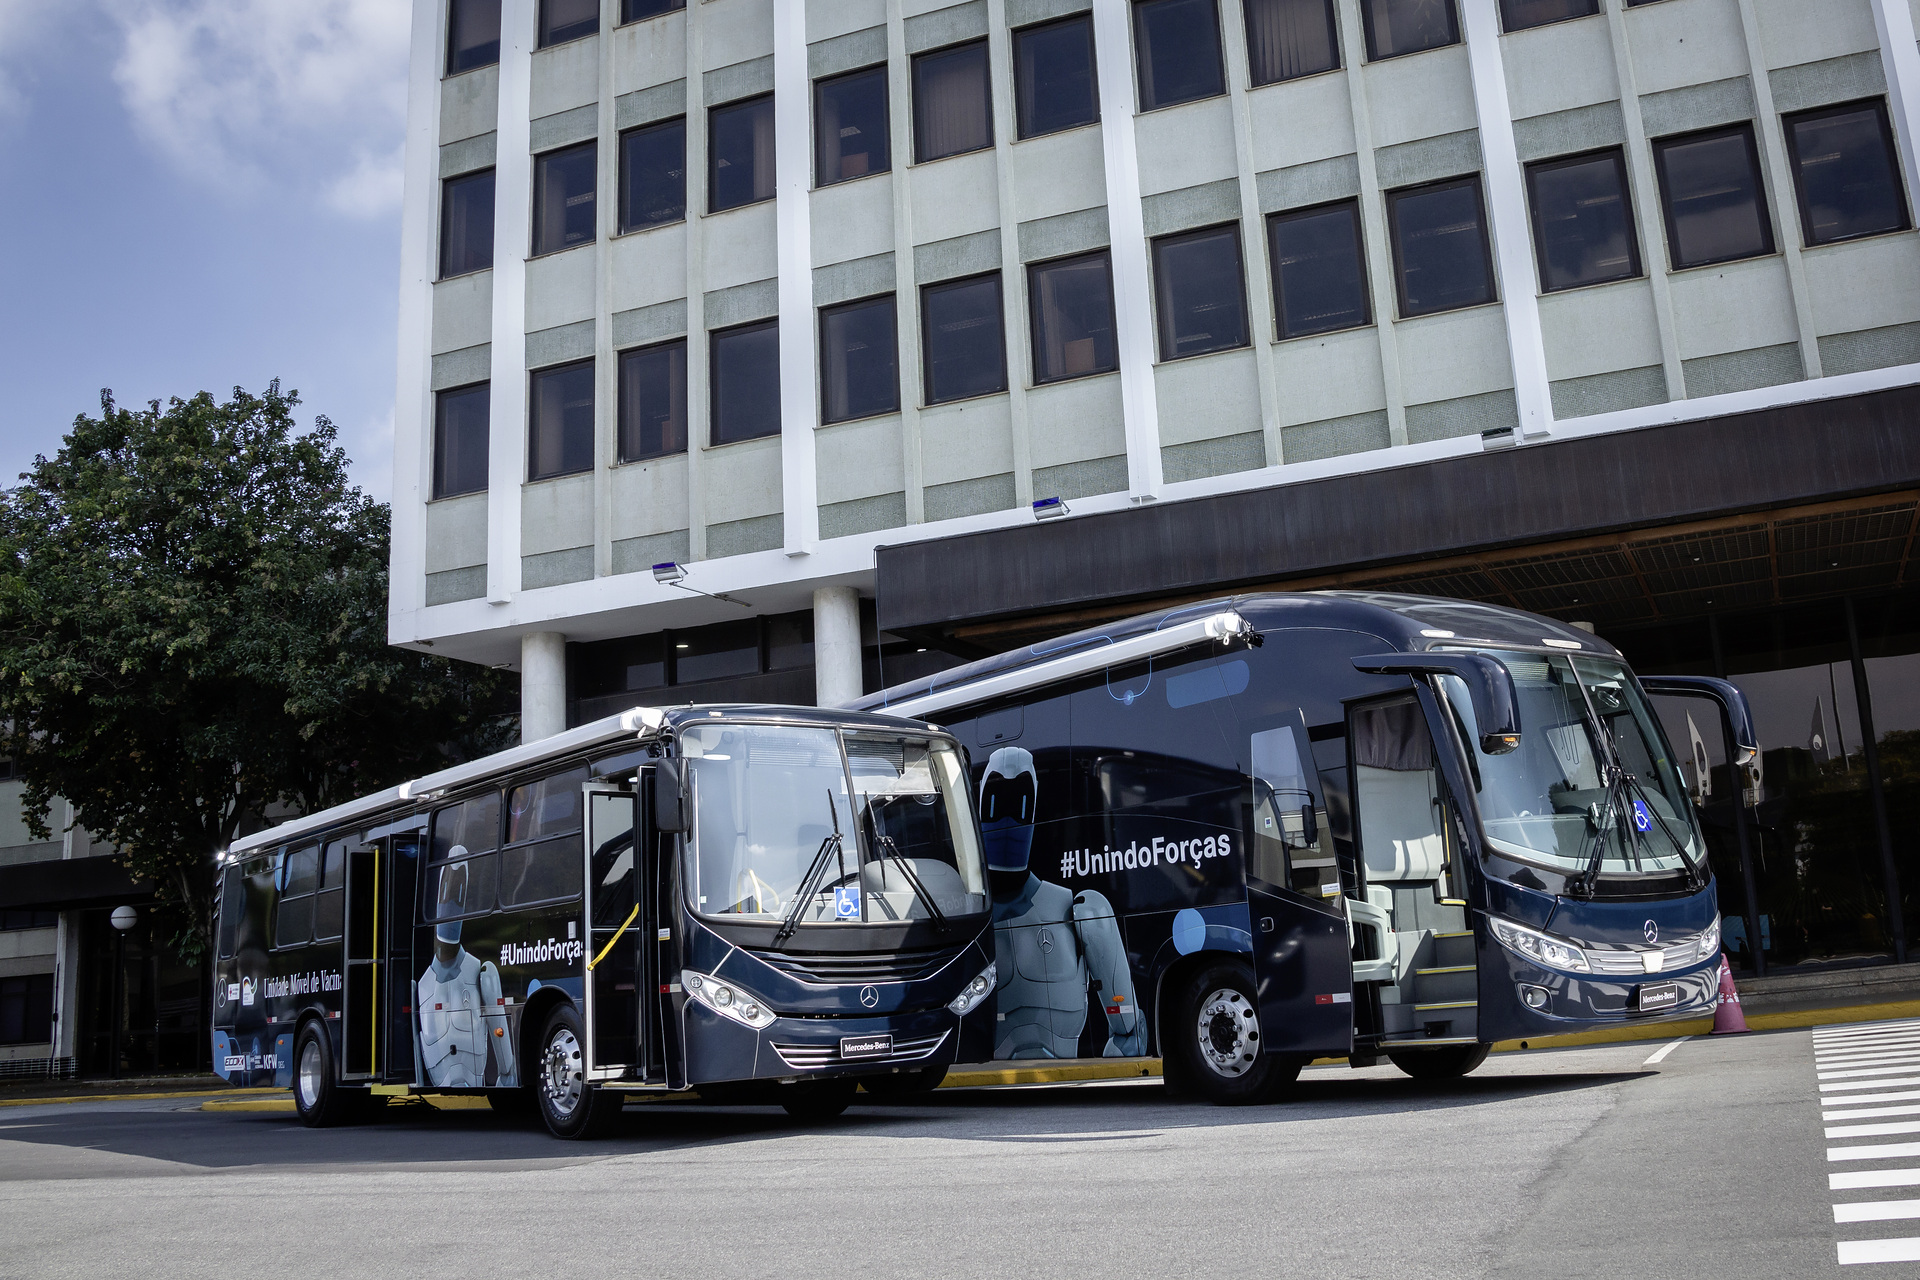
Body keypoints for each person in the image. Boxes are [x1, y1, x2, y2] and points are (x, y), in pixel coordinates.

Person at [980, 747, 1144, 1059]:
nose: (1007, 820)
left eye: (1019, 803)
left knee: (1093, 913)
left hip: (1060, 1070)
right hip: (986, 1079)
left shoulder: (1070, 907)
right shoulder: (966, 913)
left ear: (1032, 811)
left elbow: (1128, 1028)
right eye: (997, 802)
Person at [417, 853, 516, 1087]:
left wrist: (506, 1075)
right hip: (437, 1077)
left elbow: (497, 1027)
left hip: (475, 1075)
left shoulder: (478, 971)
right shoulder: (421, 985)